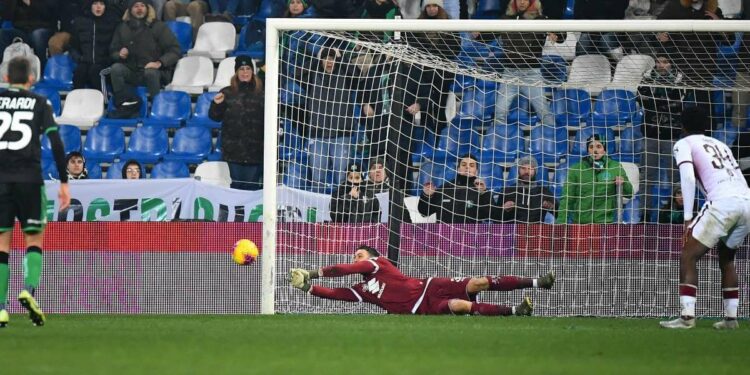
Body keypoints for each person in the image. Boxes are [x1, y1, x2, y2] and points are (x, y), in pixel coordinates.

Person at [660, 107, 750, 330]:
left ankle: (687, 318)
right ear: (707, 125)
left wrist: (688, 218)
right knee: (727, 258)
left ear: (682, 126)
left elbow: (688, 178)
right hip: (747, 201)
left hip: (722, 202)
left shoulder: (684, 144)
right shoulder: (721, 144)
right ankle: (731, 320)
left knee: (688, 255)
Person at [0, 57, 71, 328]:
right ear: (31, 79)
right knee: (34, 240)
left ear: (6, 78)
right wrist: (64, 181)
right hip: (29, 179)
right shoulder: (41, 103)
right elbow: (55, 141)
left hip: (1, 180)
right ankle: (29, 290)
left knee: (2, 246)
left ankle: (0, 309)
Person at [288, 245, 556, 316]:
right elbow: (336, 294)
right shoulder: (362, 289)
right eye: (355, 256)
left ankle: (537, 282)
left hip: (429, 285)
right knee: (460, 306)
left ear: (372, 256)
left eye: (360, 254)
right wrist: (307, 287)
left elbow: (344, 268)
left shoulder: (377, 263)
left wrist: (313, 272)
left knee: (478, 282)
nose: (356, 258)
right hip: (421, 308)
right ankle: (515, 311)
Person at [208, 55, 264, 190]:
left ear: (252, 71)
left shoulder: (263, 92)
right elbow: (214, 117)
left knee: (252, 188)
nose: (245, 72)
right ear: (236, 72)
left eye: (248, 69)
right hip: (233, 152)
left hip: (256, 151)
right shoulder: (226, 92)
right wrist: (216, 104)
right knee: (236, 188)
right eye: (241, 69)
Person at [108, 0, 181, 100]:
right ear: (130, 10)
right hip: (132, 71)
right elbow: (113, 51)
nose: (139, 8)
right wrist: (119, 54)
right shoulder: (122, 27)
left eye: (142, 5)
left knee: (150, 72)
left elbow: (175, 50)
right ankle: (122, 102)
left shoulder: (158, 26)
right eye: (136, 6)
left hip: (156, 72)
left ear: (147, 8)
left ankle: (156, 104)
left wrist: (159, 63)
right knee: (116, 69)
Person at [556, 134, 634, 224]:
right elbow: (567, 198)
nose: (595, 150)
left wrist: (623, 183)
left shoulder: (615, 167)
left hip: (606, 223)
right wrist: (561, 223)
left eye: (599, 146)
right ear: (588, 150)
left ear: (604, 150)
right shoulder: (576, 169)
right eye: (591, 147)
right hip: (580, 223)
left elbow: (629, 194)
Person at [418, 154, 493, 223]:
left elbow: (490, 214)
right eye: (464, 165)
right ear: (458, 169)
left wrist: (484, 192)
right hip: (444, 235)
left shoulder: (481, 191)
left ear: (476, 172)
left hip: (470, 236)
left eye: (472, 165)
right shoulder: (445, 188)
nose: (467, 167)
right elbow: (424, 213)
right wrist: (427, 196)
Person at [69, 0, 119, 91]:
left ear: (105, 7)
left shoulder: (112, 23)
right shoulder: (80, 23)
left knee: (95, 72)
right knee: (80, 72)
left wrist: (107, 59)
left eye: (101, 4)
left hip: (105, 64)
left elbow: (115, 47)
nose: (98, 7)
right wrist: (80, 58)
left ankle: (103, 102)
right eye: (95, 4)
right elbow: (73, 47)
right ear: (90, 6)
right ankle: (77, 102)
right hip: (85, 62)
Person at [494, 156, 557, 223]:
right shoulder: (507, 191)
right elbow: (496, 219)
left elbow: (558, 214)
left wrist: (552, 207)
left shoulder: (544, 191)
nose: (527, 171)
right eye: (523, 168)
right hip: (513, 231)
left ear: (535, 171)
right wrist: (504, 209)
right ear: (518, 170)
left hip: (536, 231)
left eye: (530, 168)